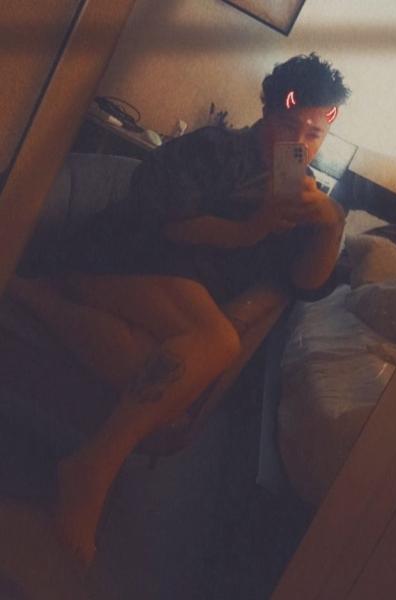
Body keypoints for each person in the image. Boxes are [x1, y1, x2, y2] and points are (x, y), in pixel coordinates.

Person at [9, 52, 350, 565]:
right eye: (288, 126)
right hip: (121, 257)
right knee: (217, 342)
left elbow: (305, 284)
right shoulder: (214, 149)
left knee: (154, 371)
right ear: (266, 110)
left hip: (174, 305)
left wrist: (332, 224)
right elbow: (160, 220)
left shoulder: (301, 195)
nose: (298, 142)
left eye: (313, 133)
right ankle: (92, 469)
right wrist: (249, 229)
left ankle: (30, 293)